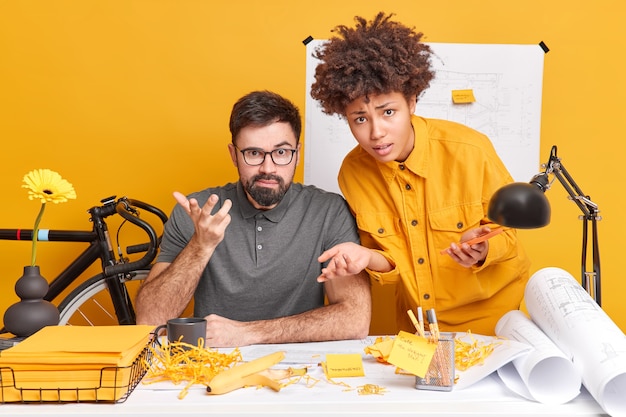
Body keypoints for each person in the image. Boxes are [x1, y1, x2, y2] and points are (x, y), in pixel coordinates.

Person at [310, 12, 531, 336]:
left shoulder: (470, 150)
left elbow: (508, 235)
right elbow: (391, 262)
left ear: (411, 102)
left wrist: (483, 248)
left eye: (388, 112)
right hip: (419, 329)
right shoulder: (354, 173)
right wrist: (363, 257)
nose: (376, 133)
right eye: (359, 119)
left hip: (495, 326)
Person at [135, 90, 371, 347]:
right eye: (254, 153)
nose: (268, 168)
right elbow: (149, 320)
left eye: (281, 153)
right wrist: (200, 246)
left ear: (297, 153)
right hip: (212, 365)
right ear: (234, 155)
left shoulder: (328, 211)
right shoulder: (196, 211)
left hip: (300, 367)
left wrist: (248, 333)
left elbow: (355, 318)